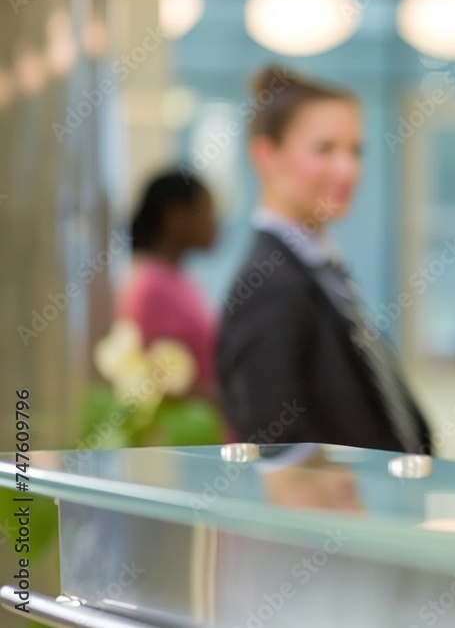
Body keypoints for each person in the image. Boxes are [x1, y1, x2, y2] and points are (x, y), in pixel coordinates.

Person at [216, 66, 432, 453]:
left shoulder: (320, 273)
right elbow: (276, 447)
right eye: (325, 149)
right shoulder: (269, 287)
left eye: (355, 150)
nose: (347, 169)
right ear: (266, 155)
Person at [119, 168, 218, 399]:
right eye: (206, 213)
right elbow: (149, 375)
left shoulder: (179, 279)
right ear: (175, 216)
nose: (215, 225)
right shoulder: (150, 285)